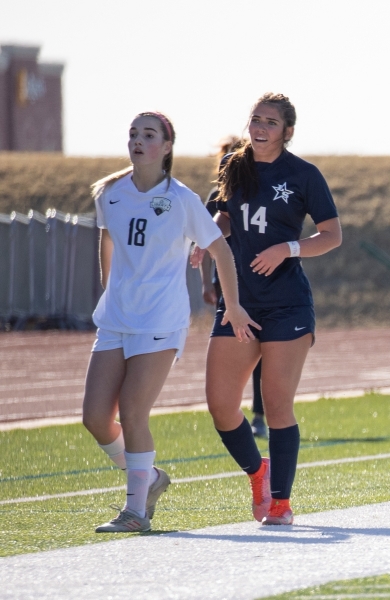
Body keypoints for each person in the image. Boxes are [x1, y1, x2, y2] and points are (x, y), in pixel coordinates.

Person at [82, 111, 259, 534]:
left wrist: (232, 305)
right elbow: (107, 240)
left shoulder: (181, 199)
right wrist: (110, 291)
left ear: (166, 147)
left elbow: (221, 250)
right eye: (133, 134)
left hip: (161, 318)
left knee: (133, 411)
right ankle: (151, 478)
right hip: (117, 318)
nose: (137, 141)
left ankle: (136, 511)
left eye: (148, 135)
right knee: (94, 418)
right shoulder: (110, 193)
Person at [192, 93, 342, 525]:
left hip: (286, 304)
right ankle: (258, 472)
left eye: (270, 122)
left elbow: (331, 235)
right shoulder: (232, 166)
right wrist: (209, 241)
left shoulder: (304, 174)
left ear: (287, 131)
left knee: (277, 406)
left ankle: (280, 503)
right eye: (255, 119)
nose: (260, 127)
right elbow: (224, 217)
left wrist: (288, 248)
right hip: (238, 303)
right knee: (221, 405)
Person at [201, 137, 268, 439]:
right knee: (230, 353)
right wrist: (206, 283)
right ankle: (230, 413)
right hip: (227, 289)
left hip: (256, 286)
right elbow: (205, 243)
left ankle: (259, 415)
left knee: (258, 353)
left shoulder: (259, 193)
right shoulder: (217, 196)